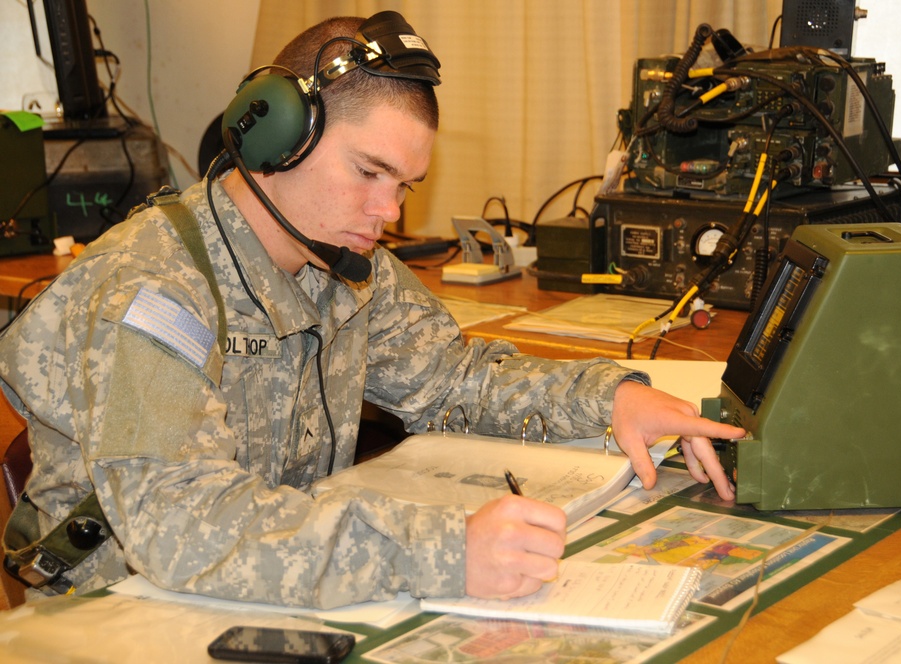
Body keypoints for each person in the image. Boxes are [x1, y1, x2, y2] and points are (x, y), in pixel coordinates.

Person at [0, 12, 743, 609]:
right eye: (368, 172)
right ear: (275, 135)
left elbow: (455, 383)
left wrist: (612, 399)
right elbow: (185, 527)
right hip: (121, 607)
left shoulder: (343, 266)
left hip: (263, 583)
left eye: (404, 188)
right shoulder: (155, 288)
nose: (385, 213)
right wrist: (444, 553)